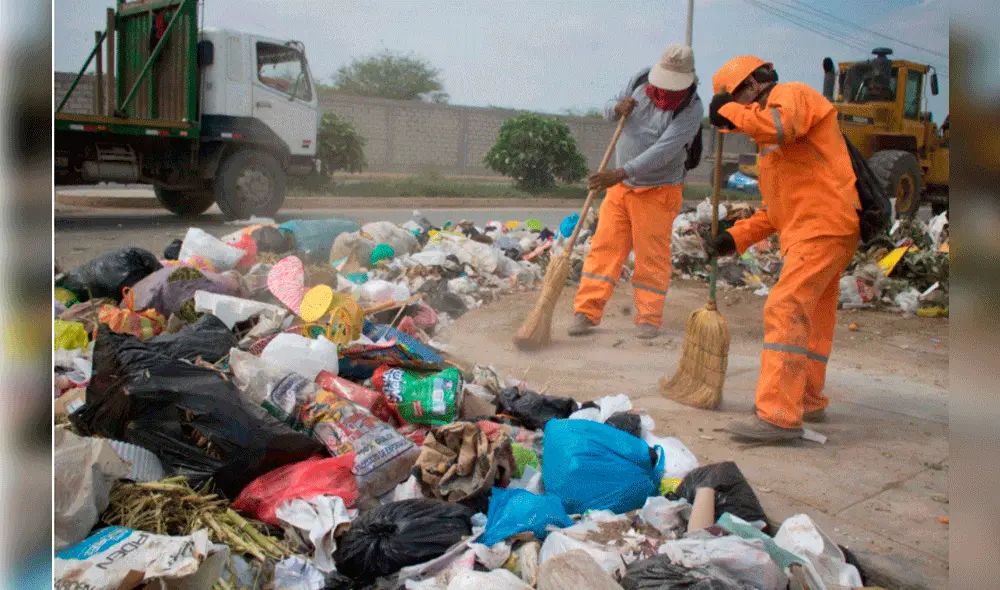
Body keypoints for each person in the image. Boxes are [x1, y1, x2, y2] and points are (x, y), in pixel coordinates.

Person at [706, 56, 861, 442]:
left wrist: (727, 109)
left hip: (822, 228)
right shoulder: (774, 150)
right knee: (813, 318)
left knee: (786, 307)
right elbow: (777, 211)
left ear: (753, 86)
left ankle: (778, 415)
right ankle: (807, 399)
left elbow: (779, 125)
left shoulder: (792, 96)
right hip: (822, 228)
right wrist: (735, 237)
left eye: (738, 100)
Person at [569, 44, 704, 340]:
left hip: (658, 190)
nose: (664, 91)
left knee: (650, 256)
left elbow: (664, 151)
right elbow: (609, 107)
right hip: (620, 188)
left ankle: (648, 317)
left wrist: (619, 172)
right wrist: (617, 109)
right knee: (604, 248)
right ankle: (586, 311)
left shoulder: (691, 109)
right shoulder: (640, 80)